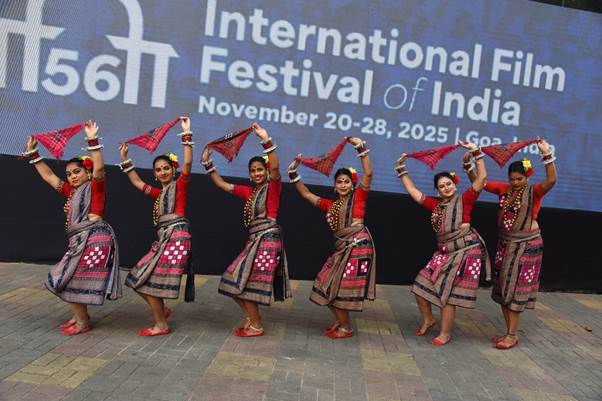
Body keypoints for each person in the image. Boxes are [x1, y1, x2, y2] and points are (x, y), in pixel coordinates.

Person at [23, 121, 121, 335]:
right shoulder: (71, 192)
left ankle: (82, 323)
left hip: (95, 241)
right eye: (69, 174)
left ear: (88, 172)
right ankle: (80, 317)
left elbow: (99, 168)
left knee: (67, 279)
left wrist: (92, 140)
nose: (73, 176)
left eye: (77, 171)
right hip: (81, 241)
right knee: (71, 279)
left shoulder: (95, 186)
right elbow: (50, 177)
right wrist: (34, 154)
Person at [464, 139, 556, 349]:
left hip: (526, 246)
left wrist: (547, 155)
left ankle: (512, 335)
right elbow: (480, 183)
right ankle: (508, 332)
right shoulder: (504, 189)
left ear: (527, 176)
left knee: (514, 289)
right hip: (506, 244)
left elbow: (551, 180)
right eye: (512, 179)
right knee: (504, 288)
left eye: (519, 179)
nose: (515, 182)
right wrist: (468, 165)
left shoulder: (534, 191)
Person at [201, 122, 290, 337]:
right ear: (250, 175)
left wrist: (265, 140)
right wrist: (207, 163)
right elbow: (222, 184)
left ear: (266, 171)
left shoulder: (273, 187)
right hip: (255, 241)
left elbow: (276, 168)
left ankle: (256, 325)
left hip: (267, 241)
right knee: (233, 281)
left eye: (260, 169)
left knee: (245, 283)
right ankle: (253, 318)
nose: (257, 173)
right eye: (253, 171)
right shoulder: (249, 193)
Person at [396, 142, 490, 346]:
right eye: (442, 186)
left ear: (455, 184)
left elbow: (482, 178)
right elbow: (412, 190)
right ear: (438, 191)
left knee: (447, 295)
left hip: (464, 252)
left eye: (448, 184)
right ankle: (428, 319)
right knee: (419, 284)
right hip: (444, 253)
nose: (446, 188)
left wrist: (476, 153)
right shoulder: (435, 206)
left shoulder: (465, 199)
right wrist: (401, 169)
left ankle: (445, 333)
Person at [287, 137, 375, 339]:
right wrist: (293, 174)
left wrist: (360, 148)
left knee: (340, 288)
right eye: (339, 182)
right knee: (324, 284)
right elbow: (307, 195)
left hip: (358, 248)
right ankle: (341, 321)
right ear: (335, 186)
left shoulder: (358, 197)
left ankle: (346, 328)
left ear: (352, 185)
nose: (343, 184)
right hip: (343, 249)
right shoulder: (330, 205)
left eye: (346, 181)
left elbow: (368, 173)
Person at [119, 117, 194, 337]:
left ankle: (161, 324)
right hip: (164, 239)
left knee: (149, 282)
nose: (163, 172)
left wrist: (186, 135)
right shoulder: (158, 194)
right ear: (155, 174)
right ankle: (162, 311)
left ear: (173, 169)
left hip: (177, 238)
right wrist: (125, 159)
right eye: (158, 170)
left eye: (166, 168)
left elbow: (188, 164)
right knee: (136, 278)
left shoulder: (180, 185)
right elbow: (136, 182)